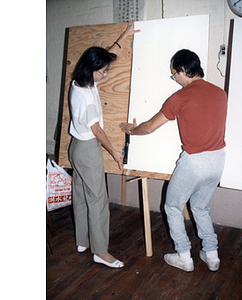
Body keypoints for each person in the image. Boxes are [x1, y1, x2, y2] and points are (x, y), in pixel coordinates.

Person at [120, 49, 227, 272]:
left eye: (174, 74)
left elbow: (149, 127)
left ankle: (184, 257)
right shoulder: (220, 93)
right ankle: (212, 254)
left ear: (182, 70)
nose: (175, 79)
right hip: (217, 161)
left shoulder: (180, 97)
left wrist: (131, 130)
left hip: (194, 162)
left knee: (172, 206)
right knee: (200, 207)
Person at [69, 22, 140, 268]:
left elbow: (108, 52)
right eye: (104, 71)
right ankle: (100, 251)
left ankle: (83, 241)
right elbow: (97, 130)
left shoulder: (80, 81)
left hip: (75, 147)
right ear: (93, 69)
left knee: (80, 195)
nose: (106, 74)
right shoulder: (86, 96)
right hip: (88, 150)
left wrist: (125, 35)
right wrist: (115, 153)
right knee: (98, 199)